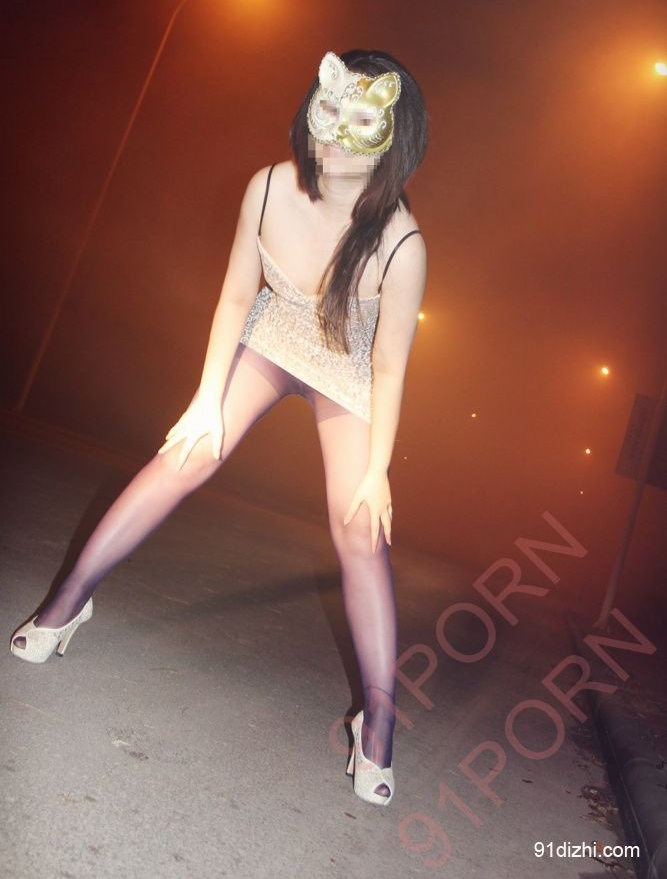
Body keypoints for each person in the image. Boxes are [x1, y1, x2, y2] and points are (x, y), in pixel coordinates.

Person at [10, 48, 428, 806]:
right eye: (326, 113)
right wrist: (206, 400)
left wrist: (377, 471)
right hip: (270, 336)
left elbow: (391, 366)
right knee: (186, 453)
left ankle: (377, 722)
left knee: (360, 529)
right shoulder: (268, 186)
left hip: (347, 371)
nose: (332, 136)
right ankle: (66, 603)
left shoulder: (401, 243)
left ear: (392, 141)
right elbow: (236, 296)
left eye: (358, 123)